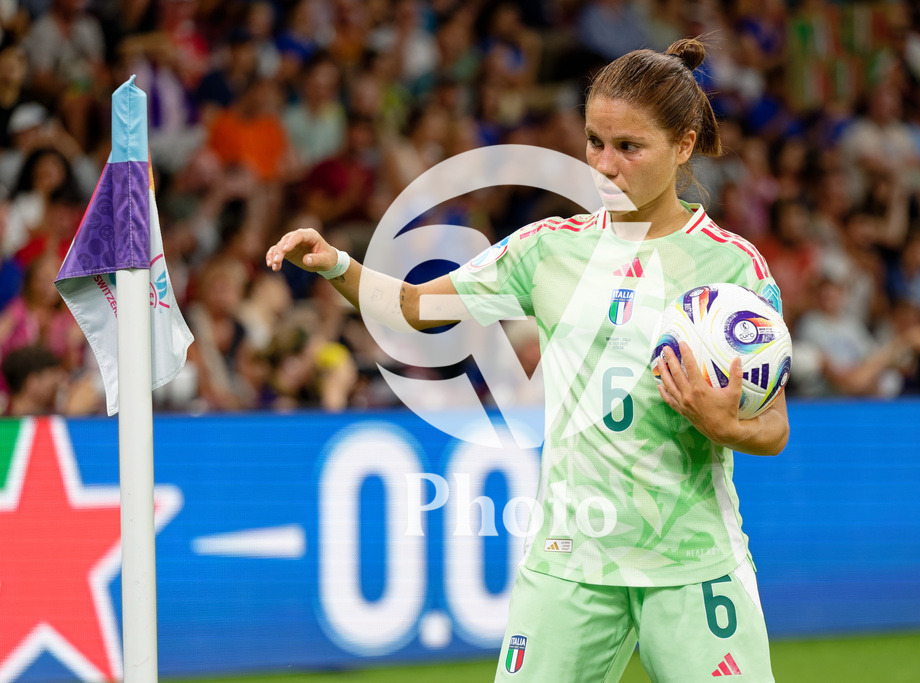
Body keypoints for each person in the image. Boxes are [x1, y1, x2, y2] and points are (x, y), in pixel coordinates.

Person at [267, 37, 788, 682]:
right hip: (570, 561)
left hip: (692, 563)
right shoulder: (547, 249)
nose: (605, 165)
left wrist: (724, 423)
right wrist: (337, 265)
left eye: (629, 147)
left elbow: (773, 427)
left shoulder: (733, 266)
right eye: (594, 142)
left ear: (683, 145)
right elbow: (414, 307)